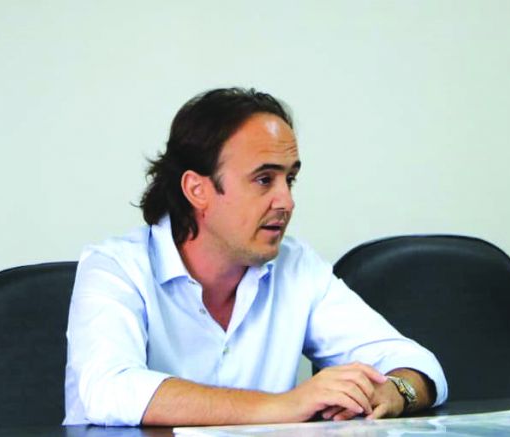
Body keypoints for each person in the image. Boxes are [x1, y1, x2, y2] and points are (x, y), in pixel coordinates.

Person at [63, 87, 447, 427]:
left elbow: (417, 363)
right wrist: (284, 405)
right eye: (264, 179)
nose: (287, 201)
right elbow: (108, 389)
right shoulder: (116, 267)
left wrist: (394, 391)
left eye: (289, 179)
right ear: (197, 189)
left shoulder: (296, 266)